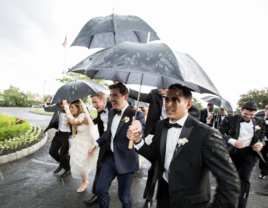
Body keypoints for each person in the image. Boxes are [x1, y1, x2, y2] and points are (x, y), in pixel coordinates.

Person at [127, 84, 240, 208]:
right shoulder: (160, 126)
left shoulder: (206, 134)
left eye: (175, 100)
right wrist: (138, 139)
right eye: (167, 99)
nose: (169, 104)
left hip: (191, 203)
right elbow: (154, 155)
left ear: (188, 104)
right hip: (163, 198)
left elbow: (229, 182)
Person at [128, 87, 200, 208]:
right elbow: (139, 95)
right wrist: (125, 88)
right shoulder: (154, 94)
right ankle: (149, 198)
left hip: (177, 140)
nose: (168, 105)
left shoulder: (183, 100)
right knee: (155, 169)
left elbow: (195, 113)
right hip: (158, 134)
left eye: (163, 87)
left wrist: (179, 117)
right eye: (166, 101)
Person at [88, 82, 145, 208]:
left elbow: (142, 135)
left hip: (126, 161)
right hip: (110, 159)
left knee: (123, 197)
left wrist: (138, 132)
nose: (112, 99)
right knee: (100, 189)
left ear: (125, 96)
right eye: (110, 95)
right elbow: (108, 132)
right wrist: (96, 143)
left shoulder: (137, 115)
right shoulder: (111, 112)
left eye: (115, 95)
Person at [219, 101, 265, 208]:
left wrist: (260, 143)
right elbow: (219, 133)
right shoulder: (229, 119)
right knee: (231, 178)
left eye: (251, 115)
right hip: (232, 151)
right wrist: (233, 141)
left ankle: (241, 205)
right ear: (241, 110)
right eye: (246, 114)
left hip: (249, 153)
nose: (248, 117)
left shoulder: (260, 121)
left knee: (245, 179)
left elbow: (262, 136)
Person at [63, 99, 99, 192]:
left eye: (72, 107)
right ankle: (85, 174)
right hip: (78, 143)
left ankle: (85, 181)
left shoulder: (83, 116)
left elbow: (72, 121)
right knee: (72, 163)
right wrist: (74, 131)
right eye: (70, 107)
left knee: (81, 166)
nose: (71, 109)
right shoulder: (77, 116)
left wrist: (66, 108)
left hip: (87, 144)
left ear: (79, 107)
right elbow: (74, 126)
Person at [84, 92, 112, 206]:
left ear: (103, 100)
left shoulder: (114, 107)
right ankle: (97, 194)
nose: (94, 105)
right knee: (100, 166)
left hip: (116, 144)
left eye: (96, 102)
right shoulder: (100, 109)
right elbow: (100, 121)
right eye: (93, 103)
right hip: (104, 142)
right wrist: (88, 122)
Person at [44, 97, 71, 178]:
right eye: (60, 103)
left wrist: (67, 109)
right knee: (52, 151)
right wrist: (48, 103)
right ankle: (63, 164)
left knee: (64, 154)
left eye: (63, 103)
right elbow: (47, 109)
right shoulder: (57, 107)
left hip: (67, 135)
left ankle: (68, 169)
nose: (62, 105)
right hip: (59, 133)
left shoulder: (72, 108)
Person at [255, 105, 268, 179]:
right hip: (262, 142)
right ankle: (263, 171)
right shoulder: (259, 119)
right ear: (265, 111)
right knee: (262, 157)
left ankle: (265, 171)